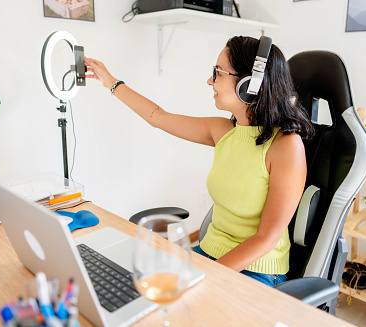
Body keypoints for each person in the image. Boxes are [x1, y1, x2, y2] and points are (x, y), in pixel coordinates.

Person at [84, 35, 314, 287]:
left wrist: (204, 276)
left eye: (217, 73)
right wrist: (110, 82)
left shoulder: (286, 146)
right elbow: (158, 117)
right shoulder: (223, 131)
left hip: (256, 270)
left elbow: (266, 239)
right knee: (137, 288)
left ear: (249, 84)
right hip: (208, 256)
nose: (209, 80)